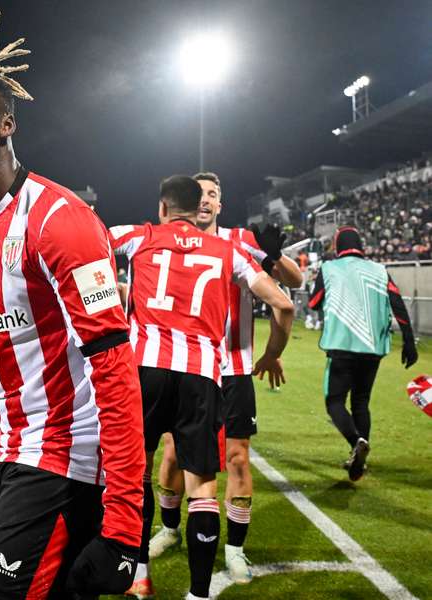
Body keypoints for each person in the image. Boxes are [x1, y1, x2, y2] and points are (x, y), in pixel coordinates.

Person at [0, 12, 145, 598]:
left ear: (5, 124)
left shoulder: (60, 220)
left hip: (61, 465)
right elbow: (5, 364)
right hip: (16, 460)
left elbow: (115, 369)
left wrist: (126, 525)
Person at [110, 175, 295, 600]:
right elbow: (284, 303)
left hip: (145, 369)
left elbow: (87, 245)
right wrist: (270, 354)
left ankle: (139, 574)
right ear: (199, 211)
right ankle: (197, 595)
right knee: (203, 487)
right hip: (202, 374)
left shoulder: (140, 236)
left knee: (135, 472)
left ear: (162, 207)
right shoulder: (229, 251)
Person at [308, 226, 417, 481]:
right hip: (373, 348)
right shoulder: (379, 270)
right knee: (361, 401)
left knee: (334, 401)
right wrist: (409, 340)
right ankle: (358, 460)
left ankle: (356, 441)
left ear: (337, 247)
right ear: (361, 246)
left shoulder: (329, 268)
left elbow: (313, 303)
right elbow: (397, 302)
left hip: (342, 344)